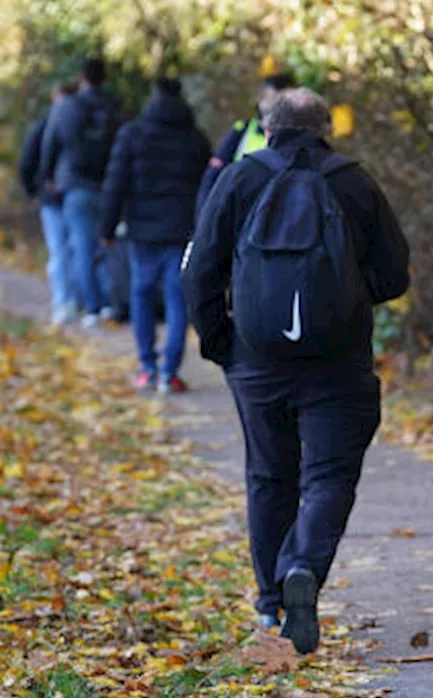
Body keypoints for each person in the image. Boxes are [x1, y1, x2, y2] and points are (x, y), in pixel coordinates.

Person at [182, 88, 410, 653]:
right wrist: (350, 304)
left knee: (268, 477)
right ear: (326, 126)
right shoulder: (353, 181)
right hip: (338, 363)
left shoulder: (240, 179)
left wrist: (222, 346)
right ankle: (304, 564)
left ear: (267, 126)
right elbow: (395, 272)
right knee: (329, 477)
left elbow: (199, 271)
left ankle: (268, 603)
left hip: (257, 361)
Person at [100, 77, 211, 393]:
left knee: (142, 294)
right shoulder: (195, 138)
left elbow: (115, 183)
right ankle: (169, 372)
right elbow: (207, 186)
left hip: (141, 232)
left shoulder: (132, 134)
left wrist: (106, 228)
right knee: (178, 300)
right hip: (181, 230)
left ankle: (146, 367)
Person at [38, 57, 120, 328]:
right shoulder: (114, 107)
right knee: (106, 245)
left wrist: (48, 176)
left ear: (81, 77)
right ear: (104, 78)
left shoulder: (68, 107)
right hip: (108, 186)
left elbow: (51, 142)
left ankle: (92, 307)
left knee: (81, 246)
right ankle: (109, 302)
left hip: (75, 185)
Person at [194, 73, 295, 218]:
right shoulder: (242, 132)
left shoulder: (302, 141)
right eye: (272, 101)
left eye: (283, 104)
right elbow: (212, 179)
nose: (276, 110)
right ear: (260, 101)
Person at [19, 81, 79, 325]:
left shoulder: (43, 125)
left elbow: (28, 161)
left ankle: (63, 301)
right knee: (76, 248)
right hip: (74, 193)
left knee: (59, 249)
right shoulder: (83, 122)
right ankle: (75, 299)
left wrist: (34, 188)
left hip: (53, 197)